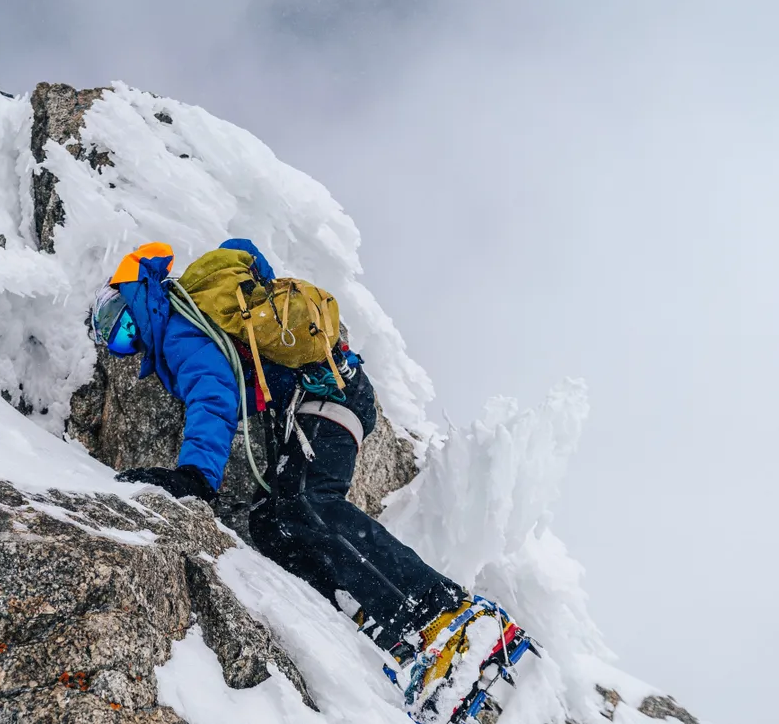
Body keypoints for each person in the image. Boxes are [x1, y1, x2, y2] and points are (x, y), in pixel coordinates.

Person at [92, 240, 534, 720]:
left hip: (331, 394)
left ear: (137, 294)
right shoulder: (189, 320)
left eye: (122, 322)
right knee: (271, 522)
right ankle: (381, 625)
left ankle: (445, 613)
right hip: (320, 401)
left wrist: (195, 476)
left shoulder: (179, 328)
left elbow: (212, 397)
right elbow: (245, 255)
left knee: (307, 501)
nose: (128, 339)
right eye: (117, 340)